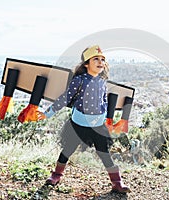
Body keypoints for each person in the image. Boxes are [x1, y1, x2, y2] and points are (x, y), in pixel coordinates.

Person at [42, 45, 131, 194]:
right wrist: (48, 113)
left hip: (98, 125)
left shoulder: (103, 81)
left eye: (103, 59)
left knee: (104, 153)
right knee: (68, 150)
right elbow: (66, 97)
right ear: (86, 64)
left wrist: (107, 120)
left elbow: (104, 101)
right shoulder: (80, 80)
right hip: (78, 124)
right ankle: (56, 175)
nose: (100, 62)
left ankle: (117, 182)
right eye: (96, 59)